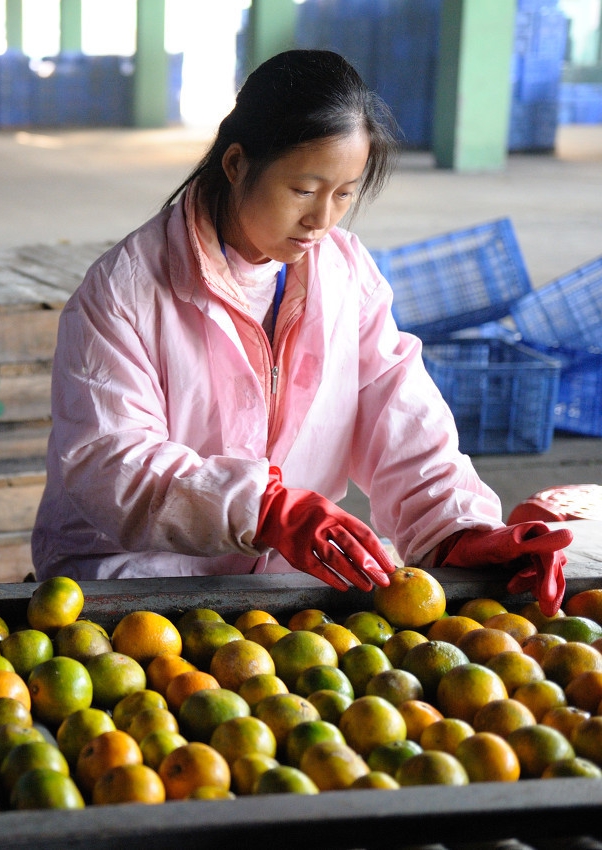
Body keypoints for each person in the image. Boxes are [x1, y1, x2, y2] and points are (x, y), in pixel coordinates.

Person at [32, 50, 571, 613]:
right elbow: (109, 462)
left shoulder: (345, 276)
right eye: (304, 190)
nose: (322, 220)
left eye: (344, 194)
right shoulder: (125, 291)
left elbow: (400, 415)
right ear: (237, 164)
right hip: (133, 590)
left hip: (279, 592)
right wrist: (264, 510)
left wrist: (462, 529)